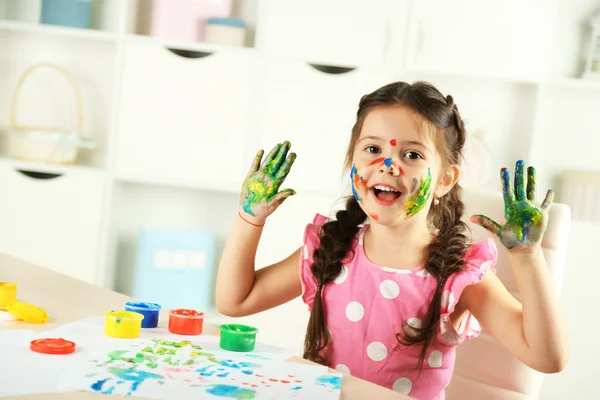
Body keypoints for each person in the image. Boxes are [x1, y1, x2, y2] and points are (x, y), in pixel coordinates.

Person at [215, 81, 569, 399]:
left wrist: (527, 256)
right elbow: (236, 301)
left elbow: (547, 357)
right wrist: (250, 218)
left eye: (412, 155)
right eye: (372, 149)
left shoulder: (457, 273)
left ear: (445, 180)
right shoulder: (330, 248)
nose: (388, 165)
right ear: (351, 161)